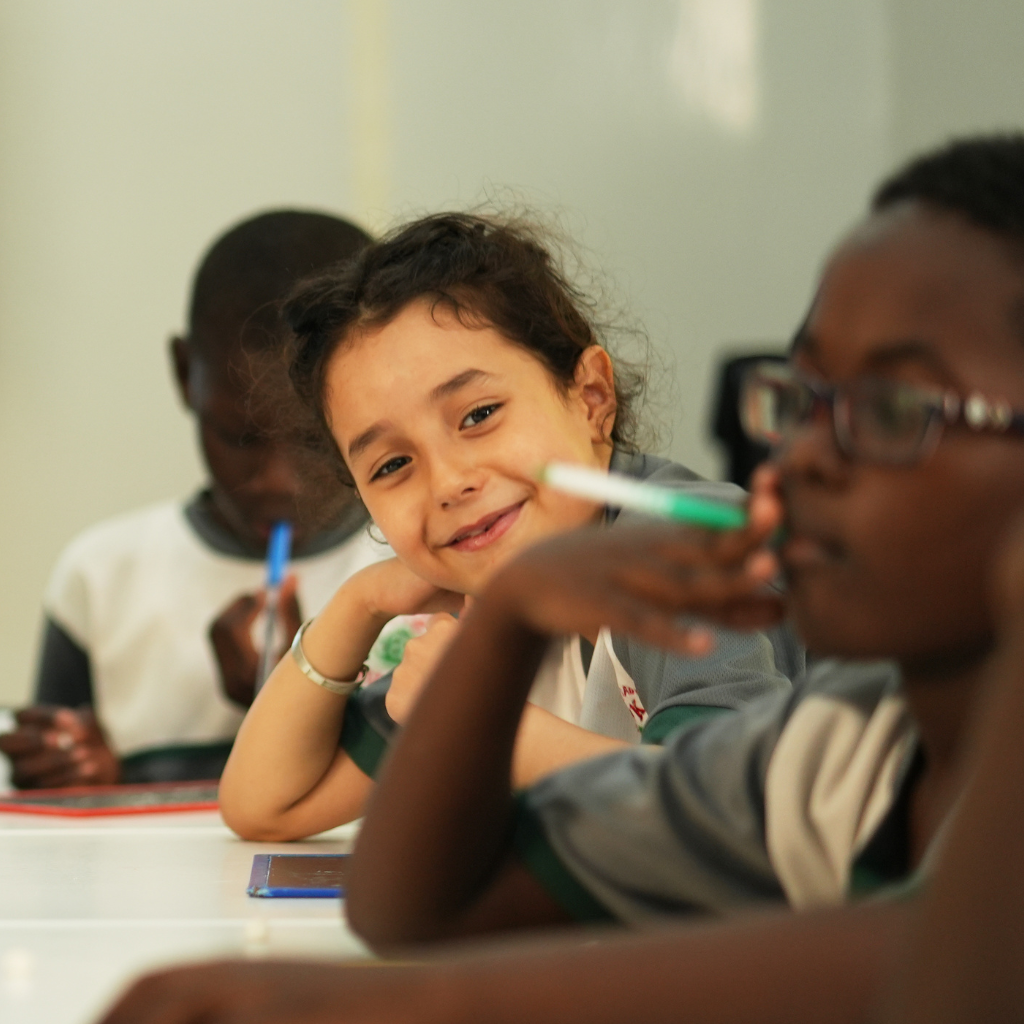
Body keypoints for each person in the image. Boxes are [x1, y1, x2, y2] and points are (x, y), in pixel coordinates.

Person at [93, 132, 1024, 1024]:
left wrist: (403, 1006)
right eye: (804, 401)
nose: (802, 460)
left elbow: (927, 966)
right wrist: (488, 626)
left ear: (591, 400)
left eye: (896, 411)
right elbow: (400, 901)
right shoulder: (834, 754)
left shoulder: (673, 565)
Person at [217, 212, 801, 843]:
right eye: (391, 465)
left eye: (479, 415)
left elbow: (736, 811)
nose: (447, 483)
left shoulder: (685, 551)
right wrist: (359, 604)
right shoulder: (500, 599)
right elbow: (264, 805)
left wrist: (482, 720)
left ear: (591, 398)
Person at [0, 209, 400, 788]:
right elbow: (57, 826)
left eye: (315, 441)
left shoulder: (422, 571)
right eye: (239, 437)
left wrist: (301, 689)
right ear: (186, 374)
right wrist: (80, 776)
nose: (276, 481)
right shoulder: (102, 578)